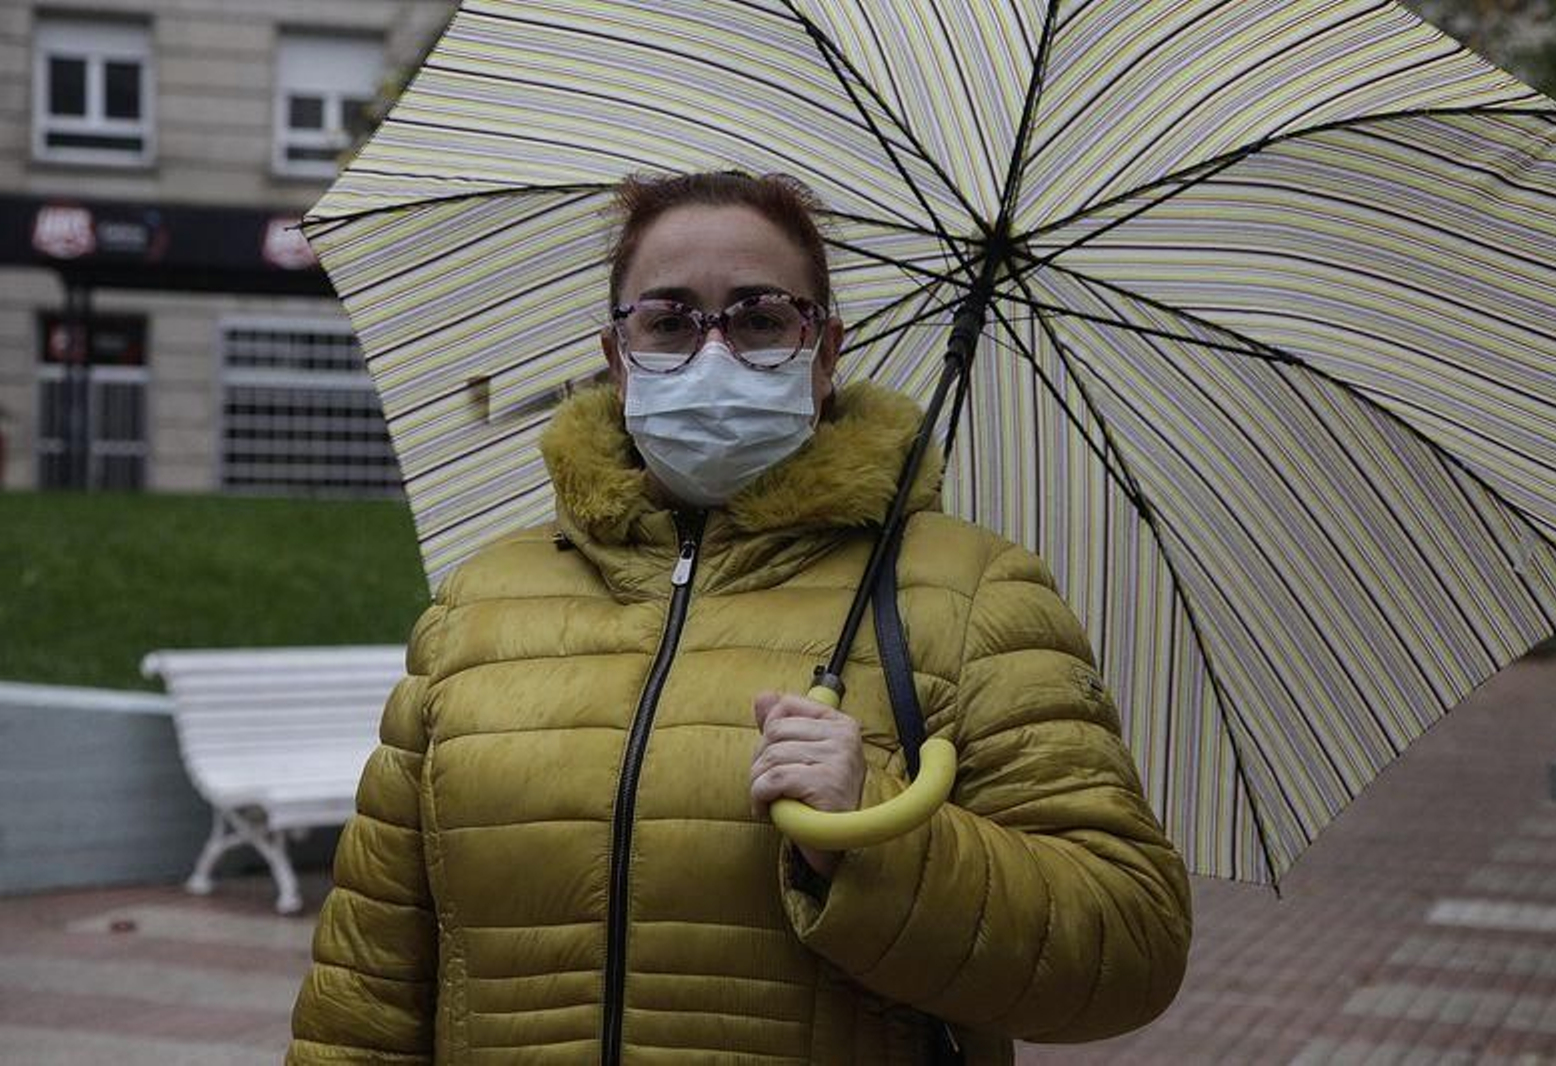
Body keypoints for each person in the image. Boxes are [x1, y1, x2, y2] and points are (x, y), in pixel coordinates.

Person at [285, 171, 1191, 1066]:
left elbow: (1127, 944)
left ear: (824, 350)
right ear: (617, 356)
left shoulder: (971, 593)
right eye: (670, 321)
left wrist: (876, 837)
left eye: (758, 319)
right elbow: (370, 984)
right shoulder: (482, 604)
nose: (712, 354)